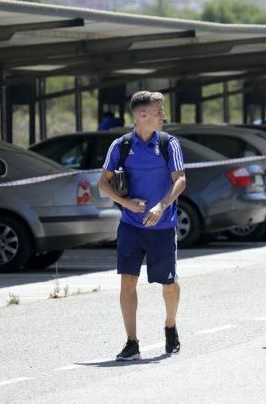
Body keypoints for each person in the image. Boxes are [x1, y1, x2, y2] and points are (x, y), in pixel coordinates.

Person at [98, 91, 187, 360]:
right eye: (159, 111)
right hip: (130, 226)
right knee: (127, 283)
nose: (164, 116)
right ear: (142, 115)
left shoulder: (168, 143)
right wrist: (124, 203)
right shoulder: (121, 146)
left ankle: (170, 326)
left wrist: (161, 205)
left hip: (162, 226)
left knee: (168, 284)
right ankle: (131, 341)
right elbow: (103, 184)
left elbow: (180, 180)